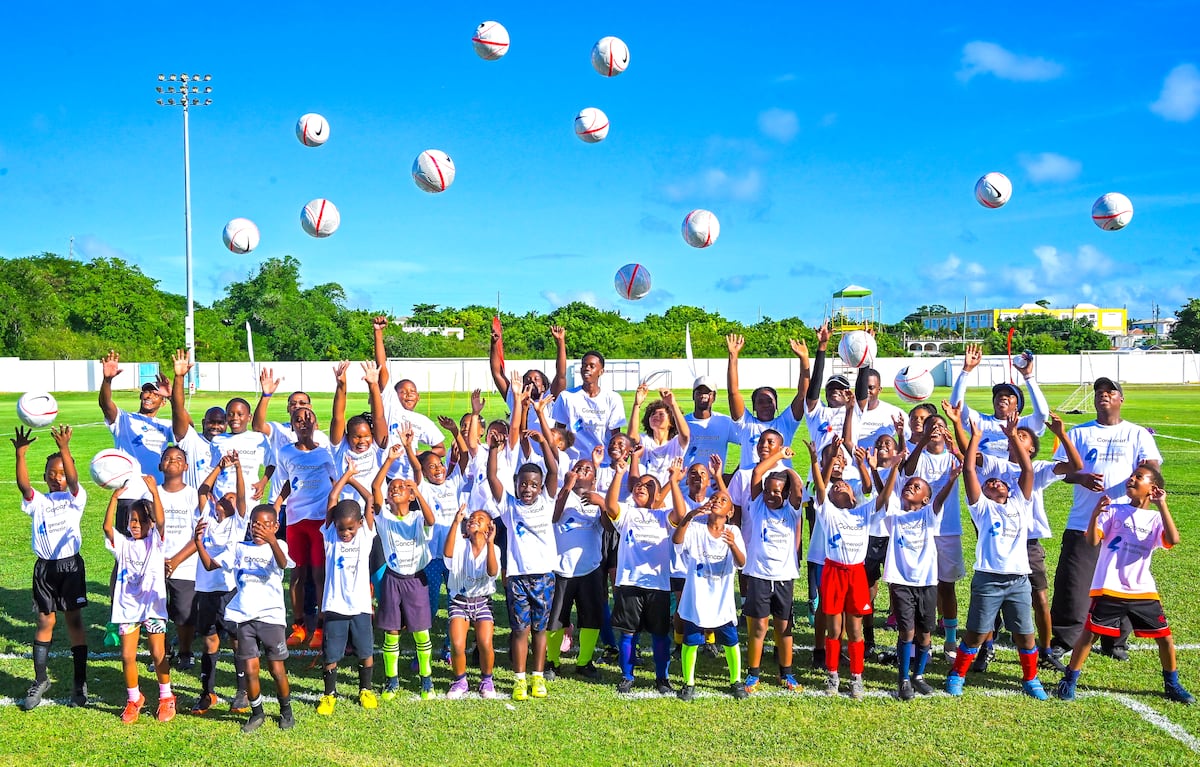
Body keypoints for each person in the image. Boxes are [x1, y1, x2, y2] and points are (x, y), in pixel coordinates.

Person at [943, 403, 1082, 673]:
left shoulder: (1037, 468)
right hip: (997, 541)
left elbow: (1076, 466)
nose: (1013, 436)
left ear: (1030, 449)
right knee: (990, 603)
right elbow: (967, 459)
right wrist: (959, 425)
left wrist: (1061, 435)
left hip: (1028, 544)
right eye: (1012, 435)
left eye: (1021, 436)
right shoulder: (998, 464)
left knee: (1039, 599)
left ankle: (1045, 651)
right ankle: (986, 648)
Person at [1055, 466, 1194, 705]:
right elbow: (1092, 541)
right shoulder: (1113, 510)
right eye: (1132, 476)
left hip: (1142, 590)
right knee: (1089, 636)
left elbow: (1173, 540)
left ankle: (1172, 684)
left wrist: (1162, 505)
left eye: (1139, 477)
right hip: (1109, 587)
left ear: (1153, 488)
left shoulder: (1156, 518)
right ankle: (1070, 679)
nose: (1132, 479)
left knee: (1165, 639)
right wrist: (1095, 514)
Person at [1049, 377, 1162, 662]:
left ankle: (1115, 640)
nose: (1104, 396)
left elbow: (1152, 468)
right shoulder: (1079, 432)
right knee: (1074, 583)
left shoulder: (1137, 433)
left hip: (1125, 524)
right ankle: (1064, 638)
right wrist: (1081, 478)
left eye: (1110, 392)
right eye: (1099, 392)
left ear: (1121, 399)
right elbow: (1061, 470)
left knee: (1120, 583)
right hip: (1084, 520)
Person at [944, 416, 1049, 700]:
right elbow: (968, 468)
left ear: (1009, 489)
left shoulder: (1020, 503)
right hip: (988, 580)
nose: (993, 483)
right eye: (988, 483)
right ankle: (957, 674)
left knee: (1025, 635)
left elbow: (1027, 468)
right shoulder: (982, 509)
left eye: (998, 482)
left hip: (1018, 581)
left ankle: (1030, 679)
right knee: (977, 634)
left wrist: (1013, 435)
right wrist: (974, 436)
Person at [807, 436, 899, 699]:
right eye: (838, 487)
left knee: (855, 629)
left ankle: (856, 677)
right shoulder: (829, 513)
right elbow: (821, 488)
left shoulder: (863, 512)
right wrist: (817, 461)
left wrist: (890, 467)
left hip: (856, 573)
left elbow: (884, 496)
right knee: (834, 629)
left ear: (854, 497)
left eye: (846, 485)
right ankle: (833, 675)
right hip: (834, 572)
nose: (842, 486)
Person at [485, 393, 560, 701]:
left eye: (533, 484)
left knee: (540, 630)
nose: (528, 489)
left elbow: (554, 471)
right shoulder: (510, 507)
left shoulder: (547, 500)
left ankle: (538, 677)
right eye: (523, 484)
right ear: (516, 483)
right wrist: (493, 450)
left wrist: (544, 443)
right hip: (517, 577)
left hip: (544, 575)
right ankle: (519, 679)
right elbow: (492, 477)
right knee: (519, 630)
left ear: (540, 487)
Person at [196, 504, 295, 732]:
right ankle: (257, 712)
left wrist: (271, 540)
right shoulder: (239, 548)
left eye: (266, 525)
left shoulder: (278, 546)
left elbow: (282, 564)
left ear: (276, 526)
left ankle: (286, 711)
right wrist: (199, 543)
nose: (260, 529)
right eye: (256, 524)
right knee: (250, 669)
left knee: (276, 669)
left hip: (271, 618)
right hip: (245, 617)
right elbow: (211, 565)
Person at [13, 425, 89, 710]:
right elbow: (24, 486)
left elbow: (73, 478)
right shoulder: (38, 502)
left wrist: (65, 449)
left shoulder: (74, 498)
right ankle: (40, 679)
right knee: (45, 621)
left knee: (74, 621)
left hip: (70, 567)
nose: (57, 478)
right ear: (44, 477)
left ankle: (79, 682)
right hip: (45, 569)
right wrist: (21, 455)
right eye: (52, 474)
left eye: (61, 473)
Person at [601, 458, 682, 695]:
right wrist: (619, 474)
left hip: (657, 585)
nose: (641, 487)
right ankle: (627, 676)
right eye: (638, 484)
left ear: (657, 496)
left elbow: (681, 513)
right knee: (628, 634)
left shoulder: (664, 516)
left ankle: (662, 678)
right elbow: (610, 505)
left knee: (659, 635)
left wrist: (673, 482)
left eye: (648, 485)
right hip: (630, 583)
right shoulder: (627, 513)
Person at [370, 444, 438, 701]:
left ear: (410, 496)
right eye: (392, 488)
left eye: (401, 487)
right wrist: (389, 460)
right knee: (392, 632)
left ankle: (427, 680)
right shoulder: (384, 517)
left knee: (421, 632)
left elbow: (431, 520)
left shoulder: (418, 519)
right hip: (393, 579)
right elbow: (376, 487)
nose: (395, 489)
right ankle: (392, 681)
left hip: (416, 580)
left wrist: (418, 492)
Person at [103, 476, 173, 723]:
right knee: (127, 656)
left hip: (153, 608)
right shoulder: (122, 544)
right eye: (131, 520)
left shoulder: (156, 543)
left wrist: (154, 492)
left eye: (139, 520)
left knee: (157, 653)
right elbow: (107, 529)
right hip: (128, 610)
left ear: (149, 523)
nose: (133, 525)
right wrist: (113, 498)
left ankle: (166, 697)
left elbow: (162, 523)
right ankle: (134, 699)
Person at [272, 404, 338, 650]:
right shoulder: (286, 453)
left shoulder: (325, 454)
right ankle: (299, 626)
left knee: (319, 574)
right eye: (298, 419)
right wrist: (278, 504)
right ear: (292, 425)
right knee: (297, 574)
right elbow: (287, 482)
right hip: (296, 519)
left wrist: (337, 509)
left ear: (315, 424)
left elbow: (336, 481)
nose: (303, 422)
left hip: (321, 520)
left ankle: (320, 626)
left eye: (308, 418)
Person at [740, 445, 805, 693]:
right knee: (759, 628)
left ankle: (786, 674)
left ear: (786, 494)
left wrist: (787, 469)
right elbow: (757, 474)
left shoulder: (792, 511)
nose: (770, 496)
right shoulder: (757, 507)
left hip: (784, 578)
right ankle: (753, 674)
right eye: (767, 491)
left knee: (783, 627)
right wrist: (778, 456)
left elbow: (798, 486)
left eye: (777, 492)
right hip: (758, 575)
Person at [188, 453, 249, 715]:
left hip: (228, 590)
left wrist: (237, 469)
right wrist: (219, 466)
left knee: (237, 639)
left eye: (233, 498)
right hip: (205, 590)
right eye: (225, 497)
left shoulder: (238, 525)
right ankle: (207, 692)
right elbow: (204, 489)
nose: (229, 499)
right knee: (210, 641)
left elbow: (243, 498)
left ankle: (242, 691)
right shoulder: (207, 518)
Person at [316, 467, 379, 716]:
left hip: (361, 606)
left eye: (350, 529)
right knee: (331, 653)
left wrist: (352, 477)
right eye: (342, 529)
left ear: (360, 524)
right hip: (335, 606)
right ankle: (329, 694)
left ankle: (365, 689)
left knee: (366, 651)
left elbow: (370, 500)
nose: (345, 533)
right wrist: (343, 479)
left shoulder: (365, 536)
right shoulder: (330, 537)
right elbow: (333, 500)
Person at [673, 491, 747, 701]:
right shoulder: (695, 528)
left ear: (730, 511)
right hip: (697, 598)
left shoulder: (733, 531)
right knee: (691, 640)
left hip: (721, 601)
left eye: (723, 500)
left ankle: (736, 681)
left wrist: (732, 544)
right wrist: (689, 516)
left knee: (731, 640)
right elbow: (677, 542)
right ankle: (688, 683)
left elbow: (742, 563)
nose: (717, 501)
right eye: (714, 498)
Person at [903, 412, 965, 660]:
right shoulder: (919, 454)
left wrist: (955, 448)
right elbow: (908, 470)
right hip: (921, 531)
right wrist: (921, 441)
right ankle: (923, 642)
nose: (936, 429)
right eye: (931, 426)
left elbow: (970, 465)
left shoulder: (953, 456)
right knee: (922, 587)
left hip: (948, 530)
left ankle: (950, 641)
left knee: (947, 587)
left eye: (940, 425)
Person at [881, 467, 943, 701]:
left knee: (925, 632)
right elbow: (884, 495)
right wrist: (891, 469)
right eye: (909, 484)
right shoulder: (895, 515)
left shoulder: (929, 515)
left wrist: (953, 479)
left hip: (927, 581)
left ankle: (918, 675)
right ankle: (903, 679)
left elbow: (939, 501)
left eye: (917, 487)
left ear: (926, 499)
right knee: (907, 630)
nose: (910, 487)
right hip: (900, 580)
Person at [548, 459, 606, 680]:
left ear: (594, 478)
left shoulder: (598, 498)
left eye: (588, 469)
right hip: (560, 569)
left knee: (591, 617)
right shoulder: (562, 494)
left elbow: (609, 527)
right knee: (555, 619)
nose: (582, 471)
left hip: (590, 569)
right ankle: (552, 661)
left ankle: (584, 662)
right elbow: (553, 516)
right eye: (578, 468)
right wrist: (567, 486)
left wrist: (601, 503)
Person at [372, 316, 447, 479]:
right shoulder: (391, 405)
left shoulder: (422, 421)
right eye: (403, 391)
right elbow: (382, 367)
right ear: (393, 393)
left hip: (410, 478)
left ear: (418, 397)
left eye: (412, 391)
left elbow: (441, 449)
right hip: (385, 474)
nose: (408, 394)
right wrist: (378, 333)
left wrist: (419, 452)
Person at [949, 343, 1050, 459]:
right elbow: (956, 407)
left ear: (1018, 405)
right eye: (999, 394)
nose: (1003, 397)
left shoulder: (1024, 425)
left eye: (1009, 395)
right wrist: (966, 370)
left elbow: (1042, 414)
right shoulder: (981, 421)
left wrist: (1028, 376)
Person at [727, 333, 809, 469]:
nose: (765, 405)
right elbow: (733, 392)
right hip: (750, 486)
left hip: (780, 486)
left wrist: (804, 359)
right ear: (753, 407)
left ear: (776, 405)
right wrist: (733, 356)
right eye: (760, 401)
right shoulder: (746, 424)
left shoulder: (785, 423)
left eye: (770, 401)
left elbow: (802, 394)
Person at [444, 508, 501, 699]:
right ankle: (460, 680)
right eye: (471, 519)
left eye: (481, 519)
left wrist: (491, 543)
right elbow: (448, 556)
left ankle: (487, 680)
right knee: (458, 644)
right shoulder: (460, 544)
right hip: (459, 602)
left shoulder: (494, 549)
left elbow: (493, 572)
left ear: (489, 527)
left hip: (482, 602)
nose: (473, 520)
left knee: (485, 642)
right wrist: (455, 522)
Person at [157, 445, 202, 671]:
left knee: (184, 613)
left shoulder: (193, 495)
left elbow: (199, 535)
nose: (172, 461)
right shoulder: (152, 493)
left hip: (184, 565)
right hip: (155, 564)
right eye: (167, 458)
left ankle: (185, 651)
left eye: (178, 458)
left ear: (185, 466)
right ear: (160, 465)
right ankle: (162, 651)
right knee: (155, 613)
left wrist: (174, 560)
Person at [99, 350, 174, 483]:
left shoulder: (166, 425)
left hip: (157, 487)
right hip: (129, 489)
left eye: (156, 394)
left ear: (163, 403)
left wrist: (173, 399)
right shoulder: (123, 419)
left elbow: (187, 430)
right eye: (146, 392)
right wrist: (107, 380)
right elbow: (105, 405)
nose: (149, 396)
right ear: (141, 396)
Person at [490, 320, 568, 433]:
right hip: (520, 451)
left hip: (544, 450)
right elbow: (497, 374)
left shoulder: (549, 399)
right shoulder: (515, 399)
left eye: (537, 379)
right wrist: (494, 344)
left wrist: (560, 342)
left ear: (543, 386)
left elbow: (561, 375)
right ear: (522, 385)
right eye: (527, 379)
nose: (532, 381)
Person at [552, 350, 627, 463]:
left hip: (603, 461)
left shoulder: (613, 398)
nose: (587, 368)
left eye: (592, 366)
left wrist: (615, 461)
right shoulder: (567, 396)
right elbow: (559, 432)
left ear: (601, 371)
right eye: (584, 365)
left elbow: (615, 435)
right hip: (574, 462)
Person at [168, 349, 227, 492]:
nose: (215, 426)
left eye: (220, 423)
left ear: (226, 424)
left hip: (220, 509)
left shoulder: (231, 444)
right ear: (203, 423)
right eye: (211, 422)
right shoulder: (191, 440)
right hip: (192, 506)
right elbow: (178, 410)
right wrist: (179, 378)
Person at [628, 384, 691, 486]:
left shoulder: (675, 443)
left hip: (668, 497)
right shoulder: (645, 441)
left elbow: (685, 435)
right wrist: (636, 404)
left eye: (661, 414)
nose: (656, 416)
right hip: (646, 496)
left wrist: (673, 405)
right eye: (653, 414)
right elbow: (631, 438)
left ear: (671, 422)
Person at [682, 375, 737, 481]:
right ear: (693, 396)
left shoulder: (725, 422)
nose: (703, 395)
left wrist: (733, 476)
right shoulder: (682, 423)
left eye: (708, 392)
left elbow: (749, 444)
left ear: (714, 397)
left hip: (715, 490)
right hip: (685, 488)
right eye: (699, 392)